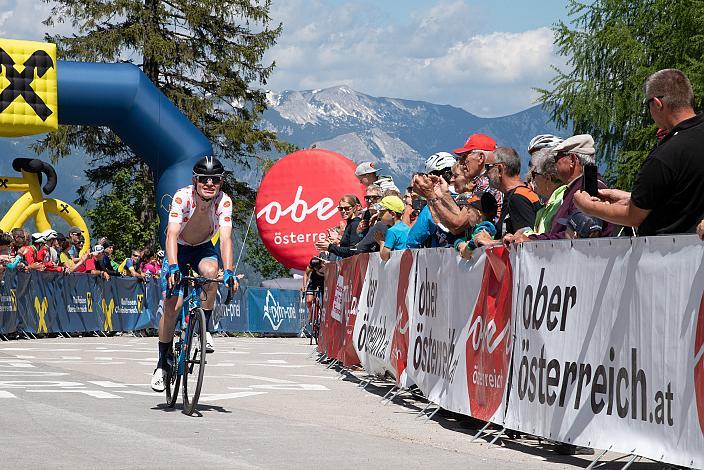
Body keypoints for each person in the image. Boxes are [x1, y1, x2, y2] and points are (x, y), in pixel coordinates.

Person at [574, 69, 704, 236]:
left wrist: (588, 207)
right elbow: (683, 196)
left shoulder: (665, 155)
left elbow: (633, 217)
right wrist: (632, 198)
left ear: (657, 103)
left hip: (668, 254)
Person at [151, 155, 237, 392]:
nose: (209, 184)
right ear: (195, 180)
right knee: (173, 305)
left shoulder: (224, 202)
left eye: (215, 180)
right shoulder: (182, 196)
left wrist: (228, 270)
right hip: (178, 247)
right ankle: (162, 362)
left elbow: (226, 239)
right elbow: (171, 234)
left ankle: (206, 327)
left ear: (221, 182)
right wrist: (172, 266)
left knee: (211, 273)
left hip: (202, 248)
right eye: (204, 179)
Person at [512, 135, 612, 243]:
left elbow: (580, 232)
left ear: (572, 160)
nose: (554, 163)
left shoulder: (590, 188)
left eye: (557, 158)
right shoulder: (579, 186)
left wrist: (530, 239)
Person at [521, 148, 567, 236]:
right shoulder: (552, 202)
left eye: (534, 174)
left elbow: (552, 238)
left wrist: (525, 235)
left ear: (547, 178)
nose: (532, 179)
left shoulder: (559, 202)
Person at [375, 195, 409, 261]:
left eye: (382, 213)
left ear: (393, 214)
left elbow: (385, 256)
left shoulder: (392, 231)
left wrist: (381, 242)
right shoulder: (406, 228)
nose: (379, 216)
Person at [301, 256, 326, 333]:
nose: (316, 268)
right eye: (314, 267)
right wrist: (304, 286)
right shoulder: (312, 264)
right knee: (309, 300)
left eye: (318, 267)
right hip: (313, 281)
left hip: (323, 281)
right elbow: (306, 274)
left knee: (324, 301)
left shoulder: (325, 265)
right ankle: (312, 311)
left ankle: (322, 316)